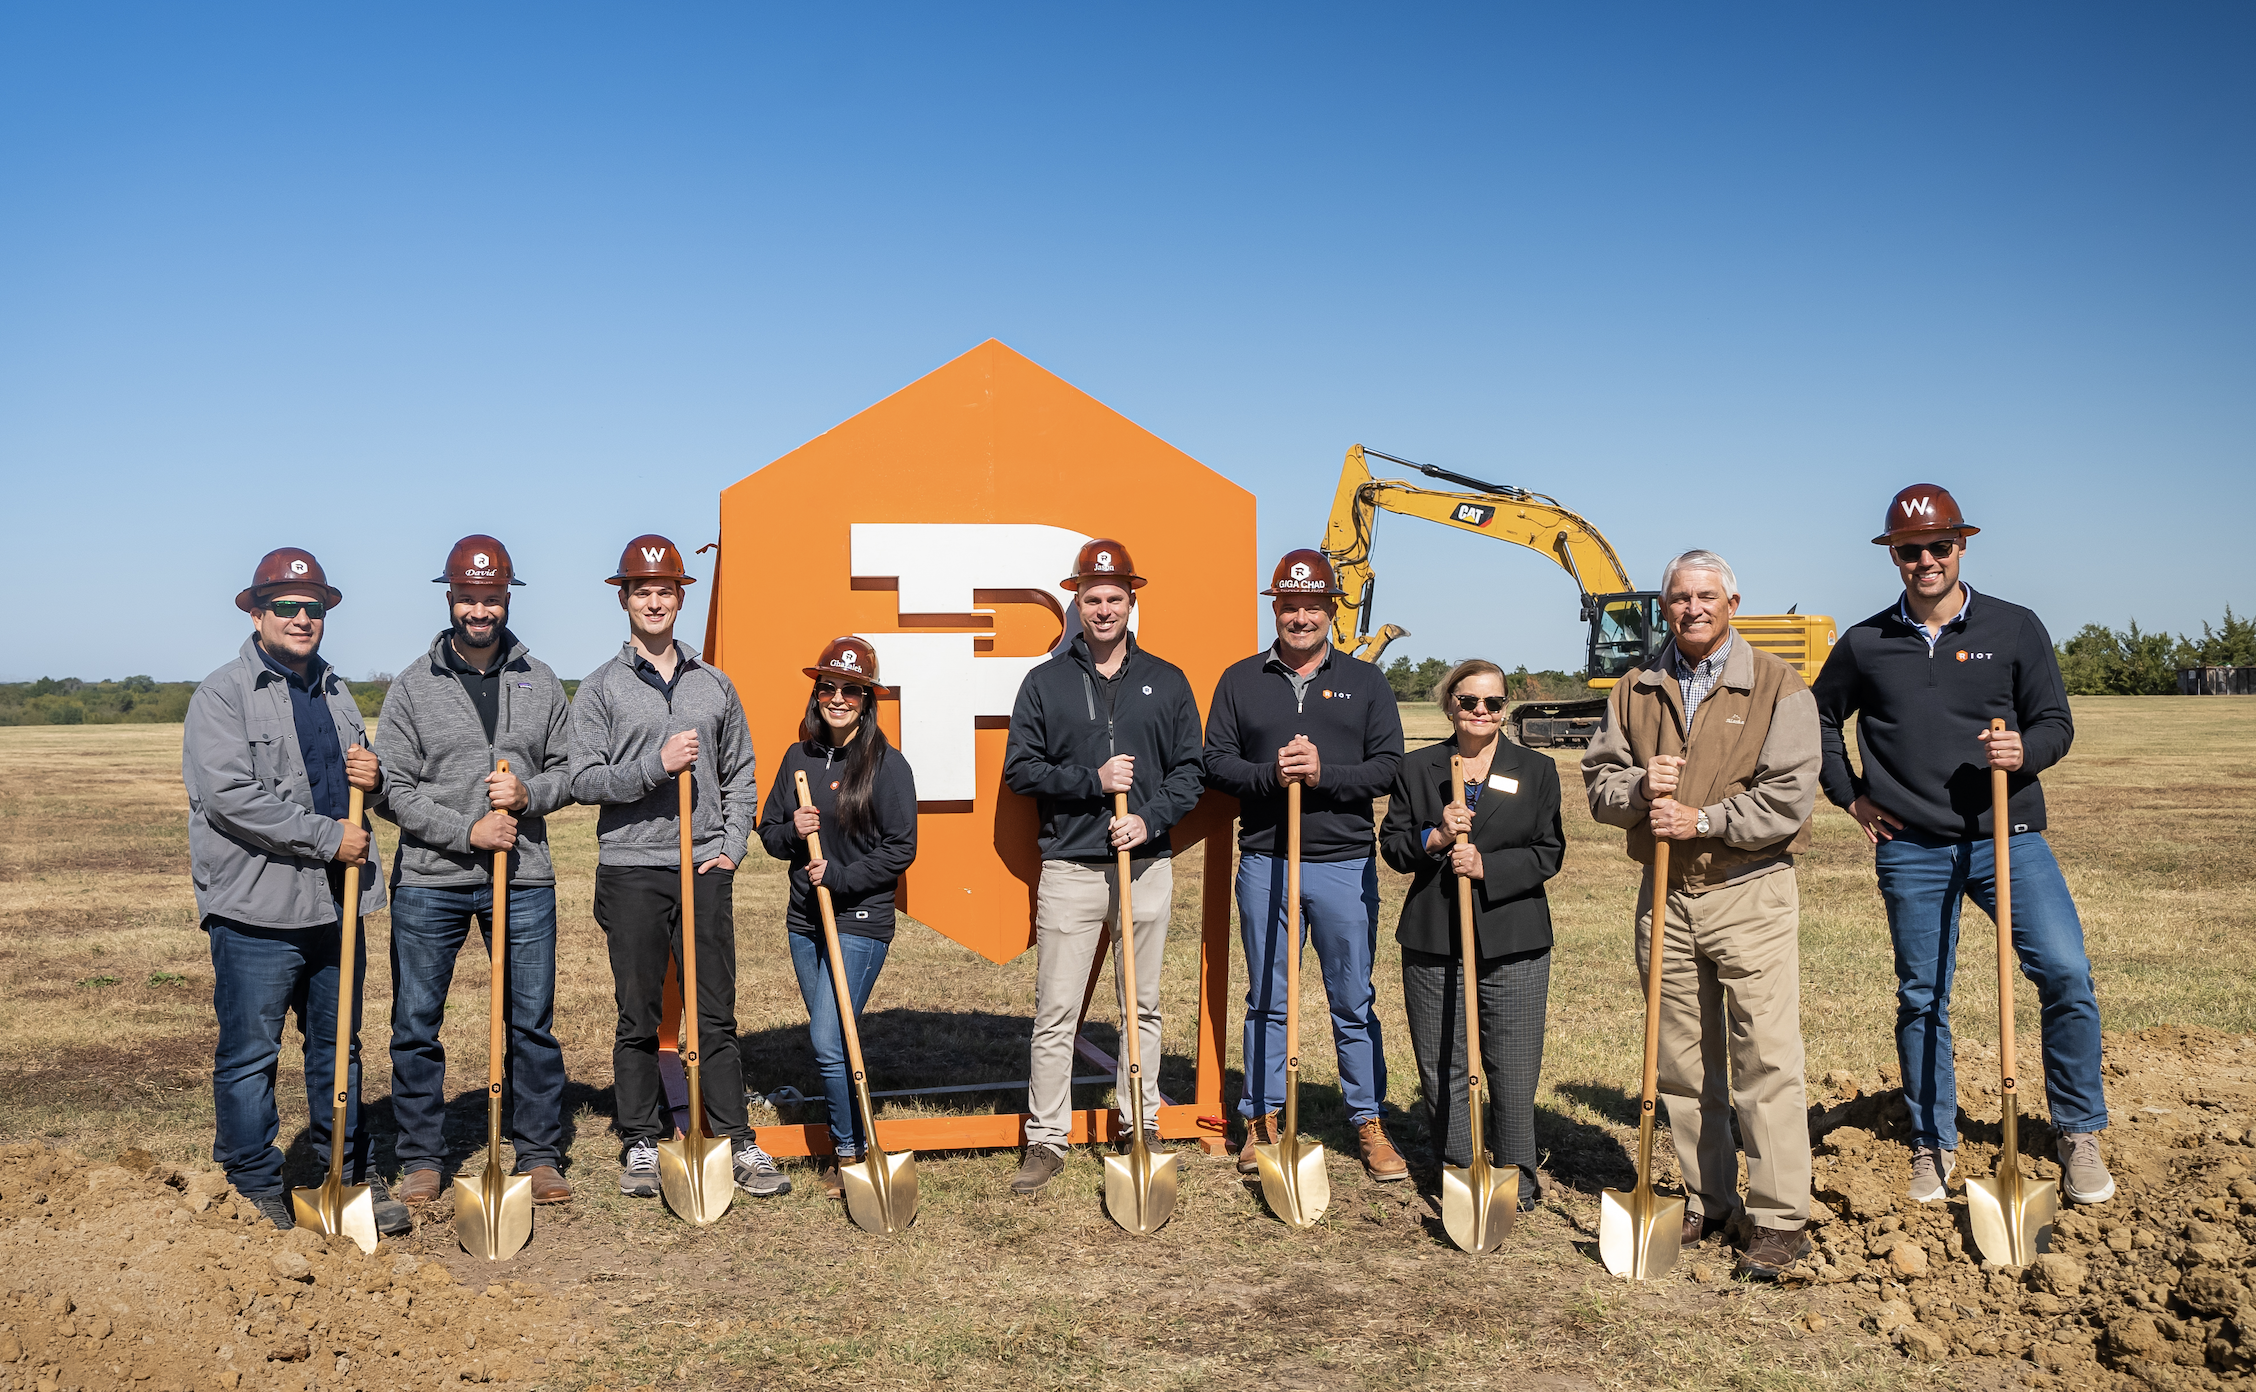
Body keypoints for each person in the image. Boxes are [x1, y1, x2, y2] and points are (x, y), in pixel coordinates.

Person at [1812, 484, 2113, 1207]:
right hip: (1911, 848)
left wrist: (2024, 752)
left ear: (1962, 547)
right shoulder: (1864, 642)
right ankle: (1932, 1143)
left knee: (2066, 973)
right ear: (1895, 556)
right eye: (1910, 550)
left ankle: (2078, 1131)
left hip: (2007, 838)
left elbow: (2055, 722)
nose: (1925, 560)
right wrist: (1848, 793)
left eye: (1938, 546)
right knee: (1924, 996)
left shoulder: (2015, 627)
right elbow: (1816, 719)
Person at [1582, 548, 1821, 1280]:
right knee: (1682, 1063)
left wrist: (1704, 820)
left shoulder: (1780, 687)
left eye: (1706, 596)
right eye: (1680, 597)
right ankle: (1707, 1198)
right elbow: (1598, 782)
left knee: (1765, 1059)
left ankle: (1781, 1219)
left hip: (1748, 890)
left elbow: (1788, 799)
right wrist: (1635, 791)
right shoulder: (1637, 687)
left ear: (1733, 602)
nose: (1692, 608)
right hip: (1665, 896)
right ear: (1667, 606)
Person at [181, 547, 408, 1235]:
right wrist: (323, 839)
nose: (302, 618)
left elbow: (352, 784)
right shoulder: (222, 694)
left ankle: (346, 1172)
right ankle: (252, 1183)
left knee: (340, 1046)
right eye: (286, 606)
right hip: (257, 908)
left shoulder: (335, 691)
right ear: (256, 612)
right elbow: (229, 798)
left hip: (336, 904)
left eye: (314, 607)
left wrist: (374, 771)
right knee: (250, 1053)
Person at [567, 535, 785, 1199]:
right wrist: (652, 768)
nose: (654, 601)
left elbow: (742, 769)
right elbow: (582, 778)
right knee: (638, 1013)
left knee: (714, 1011)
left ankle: (733, 1139)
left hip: (703, 867)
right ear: (624, 599)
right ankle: (638, 1138)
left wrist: (732, 846)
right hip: (633, 867)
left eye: (665, 590)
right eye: (642, 590)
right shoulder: (602, 688)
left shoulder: (713, 683)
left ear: (680, 597)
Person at [374, 536, 575, 1207]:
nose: (480, 609)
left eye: (491, 597)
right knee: (416, 1022)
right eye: (468, 596)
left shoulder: (539, 679)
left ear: (507, 596)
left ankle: (540, 1153)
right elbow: (391, 789)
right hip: (430, 880)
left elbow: (569, 770)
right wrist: (465, 831)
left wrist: (528, 797)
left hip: (522, 878)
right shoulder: (412, 686)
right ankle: (423, 1157)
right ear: (450, 598)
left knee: (531, 1021)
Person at [1001, 539, 1206, 1195]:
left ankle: (1138, 1123)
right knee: (1057, 1009)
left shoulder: (1167, 681)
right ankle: (1046, 1139)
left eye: (1115, 597)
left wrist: (1150, 819)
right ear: (1077, 602)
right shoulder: (1045, 681)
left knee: (1140, 1006)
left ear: (1131, 601)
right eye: (1093, 597)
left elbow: (1189, 772)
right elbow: (1021, 770)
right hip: (1072, 865)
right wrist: (1093, 779)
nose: (1104, 608)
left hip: (1144, 864)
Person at [1203, 548, 1408, 1183]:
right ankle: (1260, 1118)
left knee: (1353, 998)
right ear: (1275, 607)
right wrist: (1271, 775)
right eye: (1289, 606)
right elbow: (1215, 762)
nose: (1300, 617)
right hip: (1266, 860)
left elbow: (1389, 767)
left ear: (1330, 610)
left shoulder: (1366, 682)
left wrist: (1324, 776)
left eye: (1312, 606)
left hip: (1343, 863)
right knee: (1269, 997)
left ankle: (1368, 1121)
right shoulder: (1240, 680)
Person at [1379, 659, 1562, 1210]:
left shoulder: (1536, 769)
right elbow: (1393, 846)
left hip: (1514, 935)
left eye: (1493, 703)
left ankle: (1515, 1175)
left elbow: (1549, 853)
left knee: (1514, 1059)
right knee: (1444, 1060)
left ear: (1504, 709)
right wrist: (1434, 837)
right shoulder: (1418, 769)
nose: (1482, 712)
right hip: (1436, 935)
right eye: (1469, 702)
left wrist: (1488, 867)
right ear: (1449, 705)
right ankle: (1458, 1168)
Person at [757, 637, 919, 1201]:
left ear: (867, 698)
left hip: (861, 919)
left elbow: (902, 849)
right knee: (838, 1043)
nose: (839, 698)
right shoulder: (796, 758)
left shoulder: (886, 766)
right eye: (829, 687)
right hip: (806, 920)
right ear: (817, 694)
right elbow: (770, 835)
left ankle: (847, 1151)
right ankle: (849, 1139)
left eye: (852, 689)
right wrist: (793, 829)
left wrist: (840, 878)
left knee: (828, 1039)